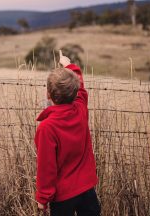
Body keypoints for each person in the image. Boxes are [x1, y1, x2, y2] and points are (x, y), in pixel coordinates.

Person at [35, 50, 101, 215]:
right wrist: (69, 65)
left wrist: (43, 198)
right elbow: (81, 87)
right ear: (75, 91)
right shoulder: (80, 108)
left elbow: (46, 168)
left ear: (48, 94)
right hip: (87, 189)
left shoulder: (47, 128)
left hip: (63, 196)